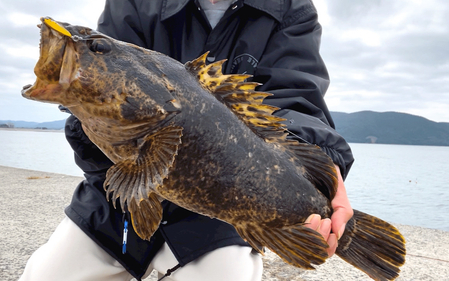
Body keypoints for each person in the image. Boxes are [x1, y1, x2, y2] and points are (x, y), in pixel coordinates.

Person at [19, 0, 355, 280]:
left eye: (97, 47)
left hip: (218, 218)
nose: (87, 50)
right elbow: (107, 122)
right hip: (113, 202)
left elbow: (296, 101)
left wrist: (320, 166)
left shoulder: (290, 9)